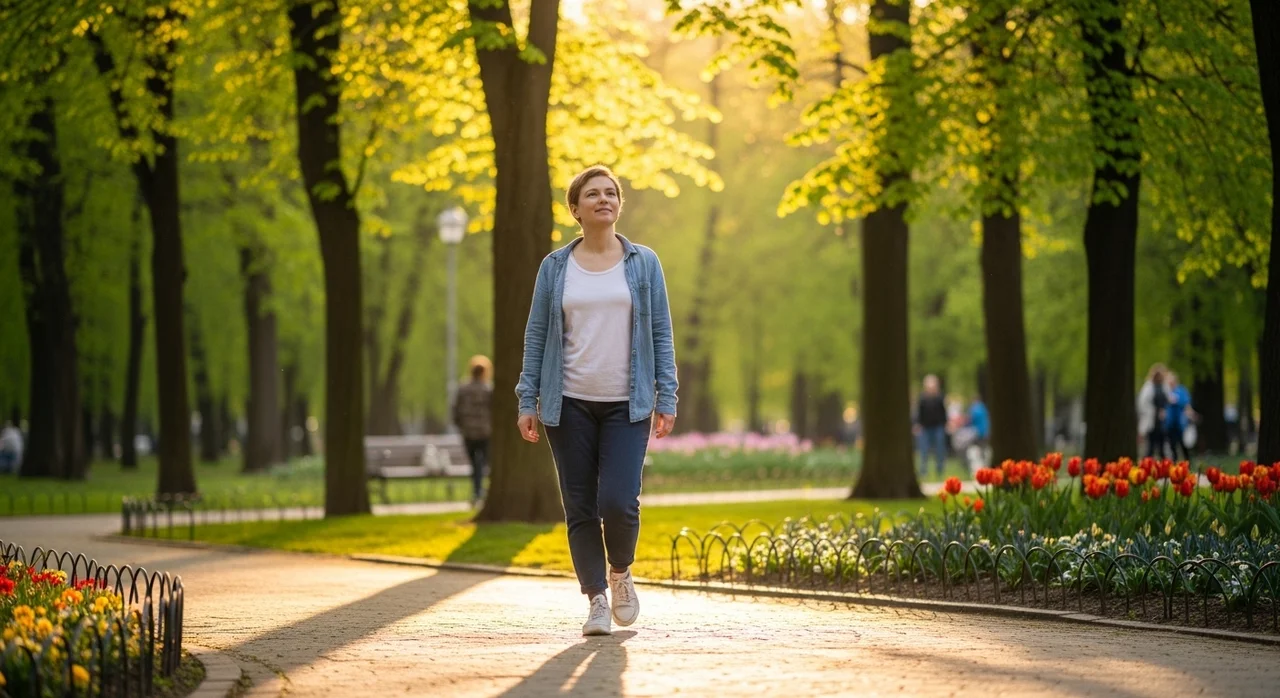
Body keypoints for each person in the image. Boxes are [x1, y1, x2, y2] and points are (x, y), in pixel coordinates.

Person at [515, 164, 677, 637]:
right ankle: (596, 600)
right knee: (580, 504)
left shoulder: (643, 262)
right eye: (593, 194)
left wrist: (667, 395)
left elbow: (661, 334)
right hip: (569, 404)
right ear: (576, 209)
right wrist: (529, 399)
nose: (603, 199)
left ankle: (620, 572)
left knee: (619, 501)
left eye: (611, 193)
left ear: (619, 204)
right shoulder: (555, 267)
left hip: (628, 404)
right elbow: (537, 336)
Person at [452, 355, 493, 507]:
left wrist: (460, 426)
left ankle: (477, 492)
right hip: (485, 432)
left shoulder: (463, 389)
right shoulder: (488, 389)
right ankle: (480, 491)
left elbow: (455, 410)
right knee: (484, 463)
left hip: (469, 433)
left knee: (475, 463)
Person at [913, 375, 948, 479]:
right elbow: (919, 413)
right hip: (925, 428)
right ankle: (923, 472)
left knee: (940, 450)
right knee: (923, 451)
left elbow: (943, 413)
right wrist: (917, 425)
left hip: (938, 427)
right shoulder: (922, 398)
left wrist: (945, 424)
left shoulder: (940, 398)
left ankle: (940, 471)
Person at [1136, 363, 1170, 458]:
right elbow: (1142, 403)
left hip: (1162, 420)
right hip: (1151, 420)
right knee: (1150, 446)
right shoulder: (1148, 387)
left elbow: (1169, 399)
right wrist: (1154, 411)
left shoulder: (1164, 386)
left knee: (1162, 447)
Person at [1164, 371, 1193, 460]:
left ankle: (1187, 462)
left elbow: (1186, 403)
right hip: (1169, 423)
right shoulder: (1166, 391)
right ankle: (1174, 463)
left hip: (1180, 423)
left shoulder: (1181, 390)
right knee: (1172, 445)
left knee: (1182, 444)